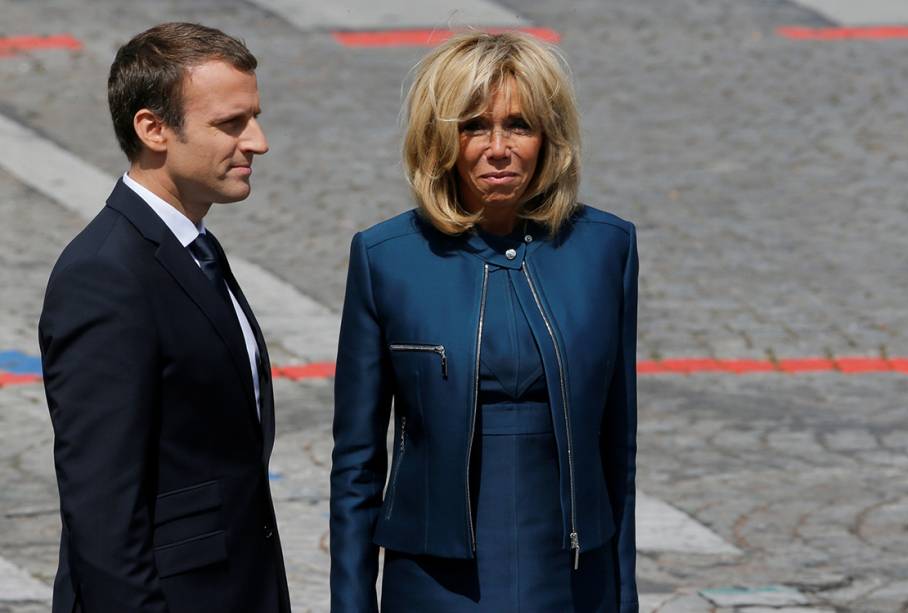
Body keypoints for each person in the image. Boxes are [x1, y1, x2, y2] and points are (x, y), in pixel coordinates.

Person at [330, 31, 639, 612]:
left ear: (549, 137)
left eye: (519, 125)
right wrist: (350, 603)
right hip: (434, 586)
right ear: (440, 139)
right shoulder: (385, 257)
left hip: (572, 580)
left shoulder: (607, 248)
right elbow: (356, 463)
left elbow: (617, 449)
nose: (498, 147)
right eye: (473, 126)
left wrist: (623, 598)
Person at [38, 22, 290, 613]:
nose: (258, 141)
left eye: (252, 116)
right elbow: (101, 505)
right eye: (231, 123)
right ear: (153, 129)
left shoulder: (192, 248)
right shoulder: (105, 275)